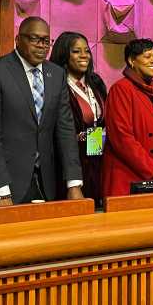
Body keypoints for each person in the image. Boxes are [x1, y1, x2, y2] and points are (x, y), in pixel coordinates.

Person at [0, 16, 83, 206]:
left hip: (45, 182)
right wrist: (1, 191)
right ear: (18, 39)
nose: (42, 45)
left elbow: (65, 130)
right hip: (4, 186)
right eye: (34, 39)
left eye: (46, 41)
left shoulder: (56, 74)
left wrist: (74, 183)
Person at [102, 38, 153, 196]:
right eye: (147, 56)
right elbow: (122, 138)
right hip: (129, 179)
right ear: (131, 60)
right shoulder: (121, 89)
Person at [50, 32, 107, 206]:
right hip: (68, 163)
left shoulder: (96, 83)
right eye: (76, 51)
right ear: (64, 55)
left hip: (97, 159)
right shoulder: (56, 85)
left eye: (87, 51)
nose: (84, 55)